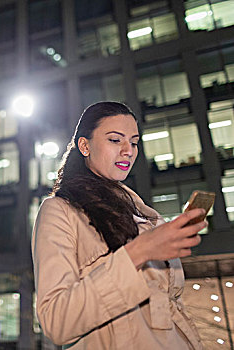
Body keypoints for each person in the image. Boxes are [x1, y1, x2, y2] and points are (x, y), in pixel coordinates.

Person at [31, 101, 206, 349]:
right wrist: (139, 251)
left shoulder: (148, 216)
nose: (128, 151)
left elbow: (172, 310)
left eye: (134, 142)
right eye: (115, 140)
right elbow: (56, 322)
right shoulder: (59, 211)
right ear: (84, 145)